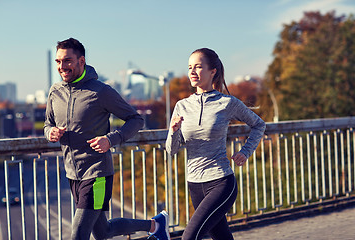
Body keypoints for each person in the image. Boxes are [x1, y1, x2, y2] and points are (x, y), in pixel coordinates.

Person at [44, 38, 170, 240]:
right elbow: (47, 124)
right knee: (104, 231)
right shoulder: (55, 92)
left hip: (97, 174)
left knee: (78, 234)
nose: (61, 66)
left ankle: (156, 225)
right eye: (58, 61)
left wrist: (111, 139)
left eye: (67, 60)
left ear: (81, 61)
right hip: (73, 174)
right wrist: (50, 132)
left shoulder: (101, 91)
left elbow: (136, 120)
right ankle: (156, 225)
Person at [166, 48, 266, 240]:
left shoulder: (227, 103)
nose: (192, 72)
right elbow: (171, 150)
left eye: (198, 67)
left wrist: (245, 152)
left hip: (221, 181)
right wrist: (174, 131)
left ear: (213, 71)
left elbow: (258, 125)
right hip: (194, 183)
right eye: (189, 67)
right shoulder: (182, 106)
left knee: (190, 237)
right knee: (221, 236)